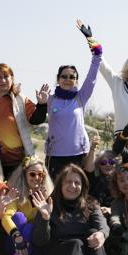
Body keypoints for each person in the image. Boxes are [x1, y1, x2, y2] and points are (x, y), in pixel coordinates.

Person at [31, 164, 110, 255]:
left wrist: (101, 234)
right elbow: (39, 240)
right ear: (60, 184)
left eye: (77, 183)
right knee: (76, 243)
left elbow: (102, 225)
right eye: (68, 182)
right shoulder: (49, 204)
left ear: (83, 186)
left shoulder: (91, 203)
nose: (73, 186)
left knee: (94, 233)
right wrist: (45, 218)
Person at [45, 23, 104, 176]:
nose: (68, 79)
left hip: (79, 154)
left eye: (72, 77)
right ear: (58, 79)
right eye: (64, 76)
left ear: (76, 80)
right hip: (55, 156)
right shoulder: (49, 99)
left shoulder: (80, 97)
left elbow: (96, 61)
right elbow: (33, 116)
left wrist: (90, 39)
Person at [0, 62, 49, 172]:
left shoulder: (20, 99)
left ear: (12, 78)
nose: (3, 80)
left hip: (17, 163)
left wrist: (42, 104)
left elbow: (36, 119)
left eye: (6, 76)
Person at [0, 156, 53, 255]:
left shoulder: (47, 197)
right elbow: (6, 217)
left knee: (29, 227)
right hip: (14, 242)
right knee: (19, 217)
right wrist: (16, 235)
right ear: (25, 175)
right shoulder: (16, 194)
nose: (37, 177)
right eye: (32, 174)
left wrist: (45, 214)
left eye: (40, 174)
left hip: (34, 246)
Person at [83, 139, 119, 210]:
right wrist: (92, 148)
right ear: (98, 165)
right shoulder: (94, 179)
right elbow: (88, 169)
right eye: (103, 162)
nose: (108, 165)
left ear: (116, 165)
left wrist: (110, 210)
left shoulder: (120, 180)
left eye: (111, 162)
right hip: (93, 211)